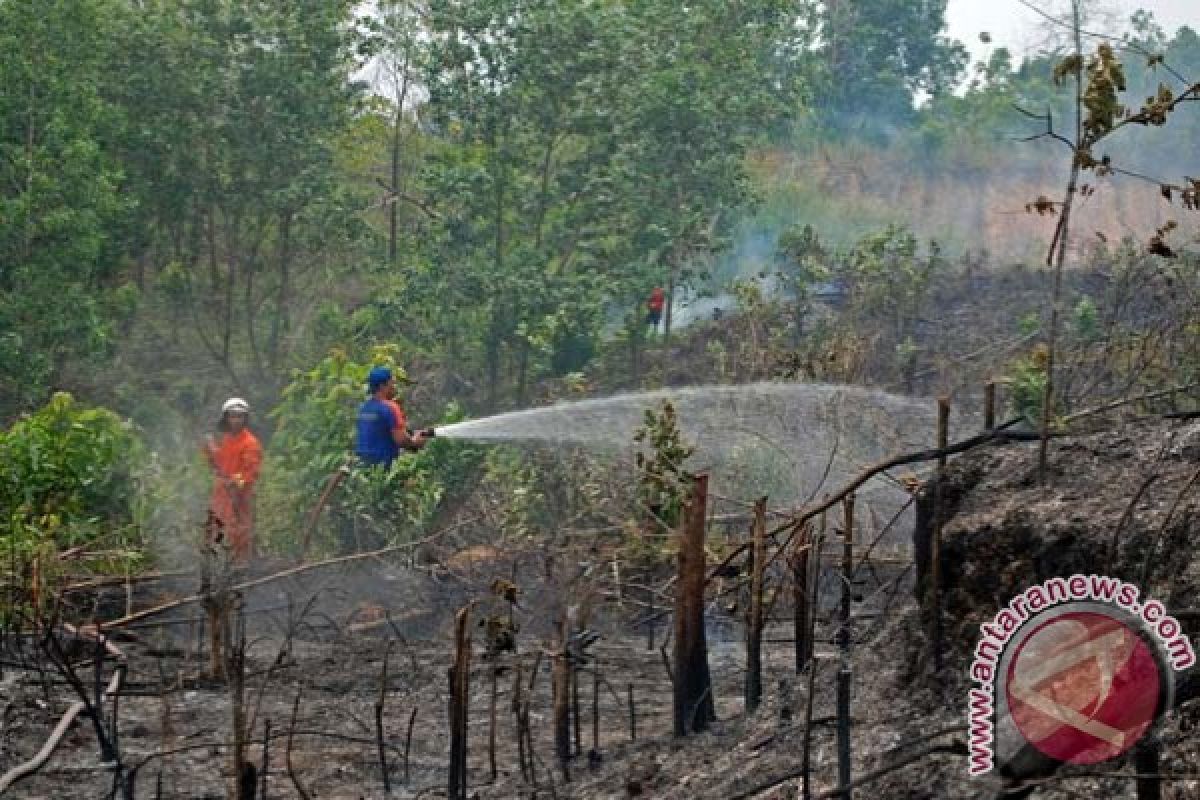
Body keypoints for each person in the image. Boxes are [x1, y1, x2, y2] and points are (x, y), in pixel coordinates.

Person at [203, 397, 263, 563]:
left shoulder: (250, 443)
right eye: (232, 416)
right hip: (221, 495)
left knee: (239, 531)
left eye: (240, 416)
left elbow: (251, 472)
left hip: (240, 498)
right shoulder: (228, 439)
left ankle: (241, 566)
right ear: (226, 418)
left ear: (245, 419)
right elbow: (220, 463)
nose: (236, 420)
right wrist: (210, 449)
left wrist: (235, 483)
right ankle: (218, 564)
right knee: (216, 530)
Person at [356, 366, 430, 467]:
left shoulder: (364, 408)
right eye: (392, 383)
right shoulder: (390, 407)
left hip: (362, 466)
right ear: (382, 386)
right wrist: (416, 441)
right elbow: (401, 440)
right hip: (383, 468)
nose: (394, 387)